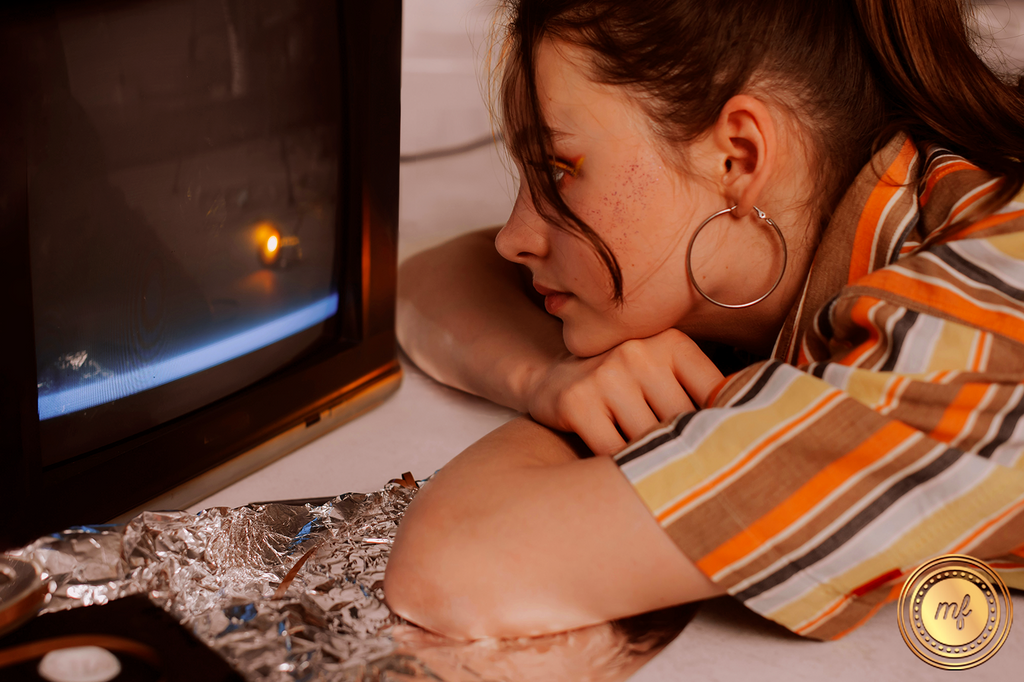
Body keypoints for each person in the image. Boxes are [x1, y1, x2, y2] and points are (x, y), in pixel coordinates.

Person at [383, 0, 1024, 642]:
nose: (514, 239)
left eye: (558, 170)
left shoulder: (965, 338)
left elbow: (457, 564)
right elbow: (424, 279)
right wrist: (551, 377)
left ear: (738, 158)